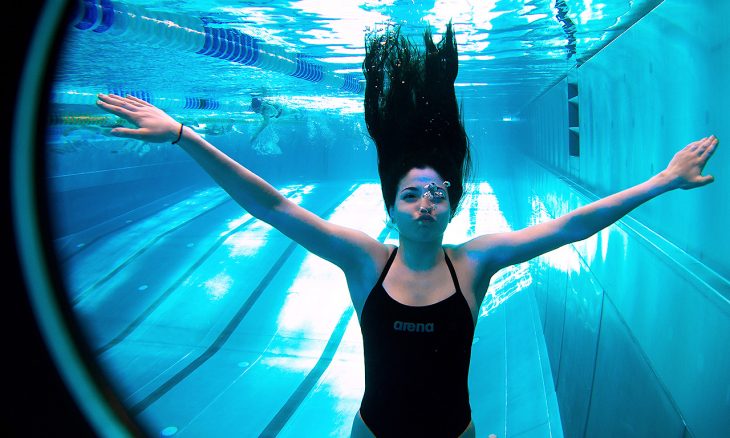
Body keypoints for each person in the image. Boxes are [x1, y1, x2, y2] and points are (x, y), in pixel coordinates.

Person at [95, 22, 718, 438]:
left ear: (452, 205)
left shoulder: (474, 263)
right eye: (412, 194)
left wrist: (664, 180)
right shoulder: (366, 261)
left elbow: (574, 224)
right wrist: (184, 135)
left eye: (438, 193)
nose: (426, 202)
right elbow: (274, 208)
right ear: (391, 205)